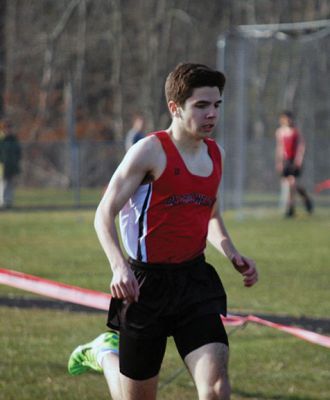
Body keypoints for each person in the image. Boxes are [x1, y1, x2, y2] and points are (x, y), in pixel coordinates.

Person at [68, 63, 258, 400]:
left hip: (194, 282)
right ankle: (104, 354)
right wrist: (118, 266)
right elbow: (103, 213)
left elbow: (210, 214)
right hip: (145, 287)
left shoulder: (217, 154)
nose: (211, 114)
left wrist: (231, 252)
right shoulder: (149, 152)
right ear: (175, 107)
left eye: (216, 105)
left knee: (215, 390)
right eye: (201, 105)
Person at [275, 111, 313, 218]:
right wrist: (279, 162)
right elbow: (279, 148)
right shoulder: (280, 132)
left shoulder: (296, 131)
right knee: (291, 185)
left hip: (294, 160)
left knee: (292, 183)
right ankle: (305, 197)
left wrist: (299, 159)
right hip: (286, 161)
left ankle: (290, 208)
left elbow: (301, 146)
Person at [0, 119, 22, 209]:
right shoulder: (1, 139)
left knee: (10, 183)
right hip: (2, 166)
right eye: (7, 128)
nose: (9, 130)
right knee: (3, 183)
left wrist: (16, 161)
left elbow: (18, 152)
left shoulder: (14, 139)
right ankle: (2, 202)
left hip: (11, 165)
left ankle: (8, 201)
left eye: (10, 128)